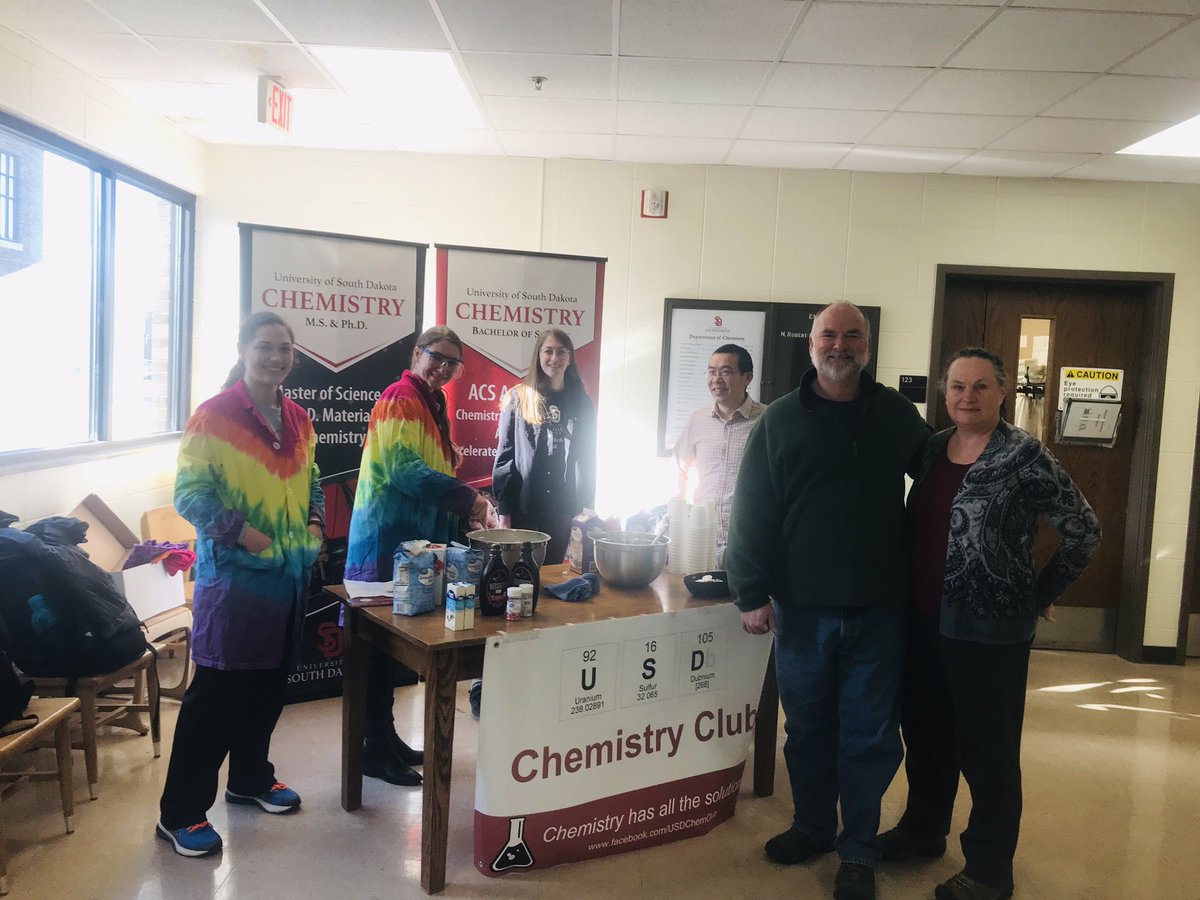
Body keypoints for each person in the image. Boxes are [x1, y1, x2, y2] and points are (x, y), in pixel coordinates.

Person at [877, 348, 1101, 900]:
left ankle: (990, 869)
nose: (967, 397)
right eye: (957, 386)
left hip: (990, 632)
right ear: (944, 393)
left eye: (980, 386)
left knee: (988, 752)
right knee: (926, 735)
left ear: (1003, 392)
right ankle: (923, 829)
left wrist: (1040, 594)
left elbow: (1084, 530)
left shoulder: (1024, 455)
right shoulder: (933, 449)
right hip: (923, 621)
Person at [726, 302, 930, 900]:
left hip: (880, 609)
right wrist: (750, 591)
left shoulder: (897, 415)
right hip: (802, 608)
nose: (840, 345)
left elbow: (941, 481)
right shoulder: (779, 420)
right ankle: (813, 827)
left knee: (869, 735)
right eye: (829, 335)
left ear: (868, 345)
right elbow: (751, 510)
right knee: (808, 729)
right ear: (811, 344)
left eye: (853, 335)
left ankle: (858, 850)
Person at [157, 311, 324, 858]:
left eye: (285, 348)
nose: (276, 358)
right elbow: (190, 495)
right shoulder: (214, 416)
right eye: (265, 347)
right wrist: (245, 535)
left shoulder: (299, 419)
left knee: (269, 688)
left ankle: (251, 779)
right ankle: (180, 813)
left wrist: (316, 525)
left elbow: (313, 479)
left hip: (289, 581)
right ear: (243, 350)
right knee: (216, 699)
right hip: (235, 585)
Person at [344, 326, 493, 786]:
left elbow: (434, 471)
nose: (443, 368)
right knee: (376, 651)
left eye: (452, 363)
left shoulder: (433, 403)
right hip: (384, 544)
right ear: (416, 353)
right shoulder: (399, 398)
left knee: (389, 654)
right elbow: (404, 470)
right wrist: (469, 500)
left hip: (413, 549)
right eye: (436, 357)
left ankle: (383, 738)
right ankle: (373, 748)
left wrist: (462, 519)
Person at [492, 328, 596, 565]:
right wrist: (504, 513)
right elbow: (505, 459)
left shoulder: (581, 402)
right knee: (520, 574)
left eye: (561, 352)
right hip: (524, 508)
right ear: (538, 355)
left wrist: (586, 511)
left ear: (570, 358)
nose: (554, 358)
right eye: (548, 351)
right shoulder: (518, 399)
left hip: (563, 509)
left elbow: (588, 459)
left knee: (553, 575)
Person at [674, 343, 765, 547]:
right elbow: (678, 469)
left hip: (750, 540)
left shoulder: (767, 420)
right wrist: (678, 514)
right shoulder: (698, 420)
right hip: (703, 538)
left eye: (726, 372)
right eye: (712, 372)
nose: (716, 379)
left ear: (747, 378)